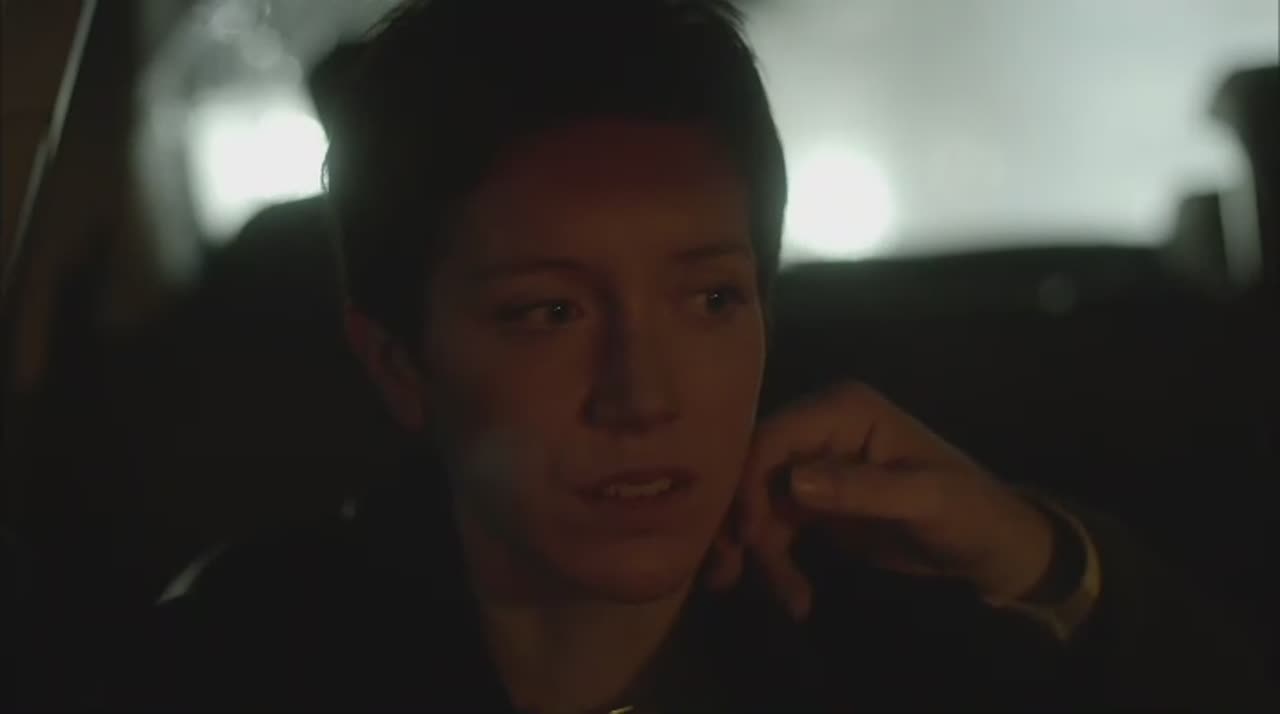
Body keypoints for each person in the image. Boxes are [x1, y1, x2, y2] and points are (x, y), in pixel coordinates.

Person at [100, 1, 1272, 711]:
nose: (643, 395)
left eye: (710, 299)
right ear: (400, 363)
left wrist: (1038, 560)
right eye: (548, 314)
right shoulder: (237, 662)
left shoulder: (894, 638)